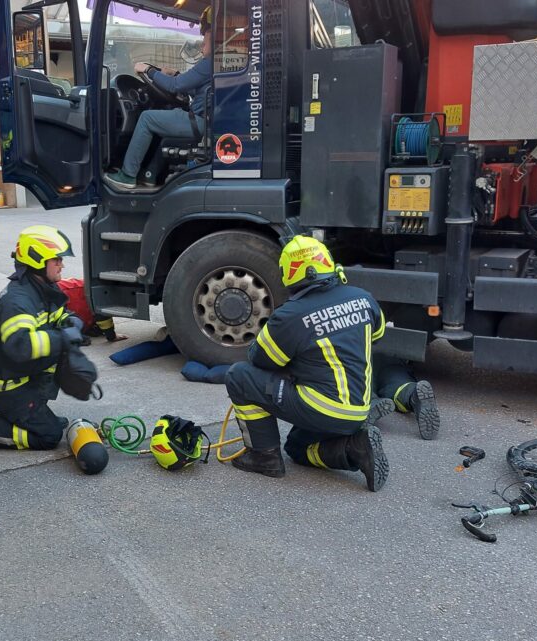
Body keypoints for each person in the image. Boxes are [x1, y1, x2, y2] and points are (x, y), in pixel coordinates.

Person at [224, 236, 392, 491]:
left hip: (322, 407)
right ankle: (354, 448)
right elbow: (376, 336)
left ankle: (264, 456)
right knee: (297, 447)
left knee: (239, 376)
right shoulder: (363, 298)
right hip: (359, 409)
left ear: (290, 273)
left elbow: (259, 360)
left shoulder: (290, 315)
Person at [0, 225, 87, 456]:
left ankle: (35, 411)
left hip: (9, 371)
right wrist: (63, 337)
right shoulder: (18, 301)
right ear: (38, 261)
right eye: (57, 259)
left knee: (64, 352)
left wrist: (73, 322)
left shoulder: (40, 288)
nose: (62, 264)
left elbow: (56, 315)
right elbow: (21, 347)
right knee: (49, 435)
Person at [104, 13, 213, 190]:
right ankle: (150, 176)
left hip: (200, 123)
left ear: (214, 44)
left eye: (205, 42)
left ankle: (127, 175)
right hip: (207, 122)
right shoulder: (217, 64)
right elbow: (192, 87)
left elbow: (175, 87)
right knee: (164, 130)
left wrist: (149, 70)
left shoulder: (209, 63)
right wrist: (175, 74)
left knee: (147, 118)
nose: (201, 46)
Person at [374, 355, 439, 440]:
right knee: (396, 382)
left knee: (361, 386)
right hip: (388, 352)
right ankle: (412, 395)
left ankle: (370, 404)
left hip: (358, 358)